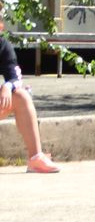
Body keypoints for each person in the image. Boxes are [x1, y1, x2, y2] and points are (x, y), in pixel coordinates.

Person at [0, 13, 59, 173]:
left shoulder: (3, 46)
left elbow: (15, 78)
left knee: (22, 96)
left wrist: (7, 86)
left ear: (1, 27)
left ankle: (35, 158)